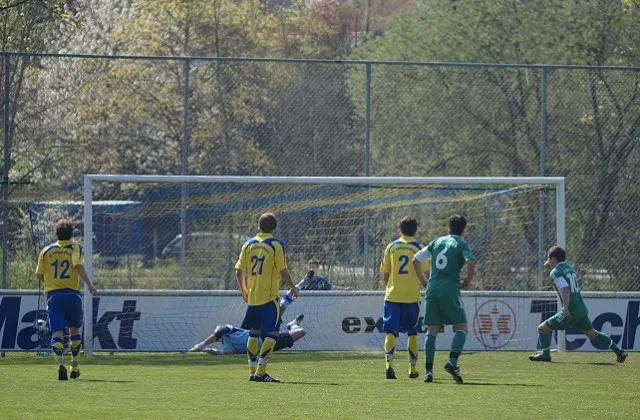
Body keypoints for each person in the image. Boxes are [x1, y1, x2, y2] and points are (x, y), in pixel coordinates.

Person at [529, 246, 628, 363]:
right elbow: (563, 273)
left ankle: (545, 355)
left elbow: (565, 288)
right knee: (592, 334)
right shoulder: (570, 268)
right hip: (580, 309)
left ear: (553, 259)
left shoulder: (555, 273)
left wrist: (565, 308)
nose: (548, 261)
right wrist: (549, 262)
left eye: (549, 258)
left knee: (542, 329)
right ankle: (619, 351)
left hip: (569, 312)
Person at [413, 214, 476, 384]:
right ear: (463, 229)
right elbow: (471, 262)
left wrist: (424, 281)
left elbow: (415, 259)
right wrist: (468, 280)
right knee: (461, 328)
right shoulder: (461, 244)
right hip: (450, 289)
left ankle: (428, 373)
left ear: (448, 227)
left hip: (432, 289)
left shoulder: (437, 242)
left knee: (431, 330)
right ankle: (452, 362)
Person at [235, 213, 298, 383]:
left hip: (253, 296)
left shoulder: (248, 244)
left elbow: (239, 271)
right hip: (269, 297)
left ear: (258, 226)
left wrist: (244, 290)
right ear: (274, 227)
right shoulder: (275, 244)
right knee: (272, 333)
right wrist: (292, 287)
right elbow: (283, 272)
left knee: (254, 332)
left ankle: (252, 371)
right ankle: (261, 372)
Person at [35, 220, 98, 380]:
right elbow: (77, 265)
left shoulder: (46, 251)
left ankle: (60, 364)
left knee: (57, 331)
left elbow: (39, 274)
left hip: (54, 296)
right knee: (74, 329)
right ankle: (74, 367)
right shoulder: (74, 248)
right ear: (71, 234)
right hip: (72, 294)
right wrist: (89, 284)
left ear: (56, 234)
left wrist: (52, 282)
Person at [380, 217, 429, 380]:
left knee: (390, 330)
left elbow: (385, 274)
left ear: (400, 229)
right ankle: (412, 369)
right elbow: (426, 273)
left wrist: (392, 286)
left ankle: (389, 365)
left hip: (393, 295)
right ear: (415, 230)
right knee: (412, 331)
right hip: (411, 297)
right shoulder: (419, 248)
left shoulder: (391, 247)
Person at [188, 315, 305, 355]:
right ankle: (293, 325)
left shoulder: (229, 330)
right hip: (264, 348)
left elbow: (218, 333)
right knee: (300, 332)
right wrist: (215, 352)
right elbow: (230, 352)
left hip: (263, 336)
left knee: (300, 332)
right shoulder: (227, 345)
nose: (216, 333)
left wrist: (200, 345)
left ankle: (292, 325)